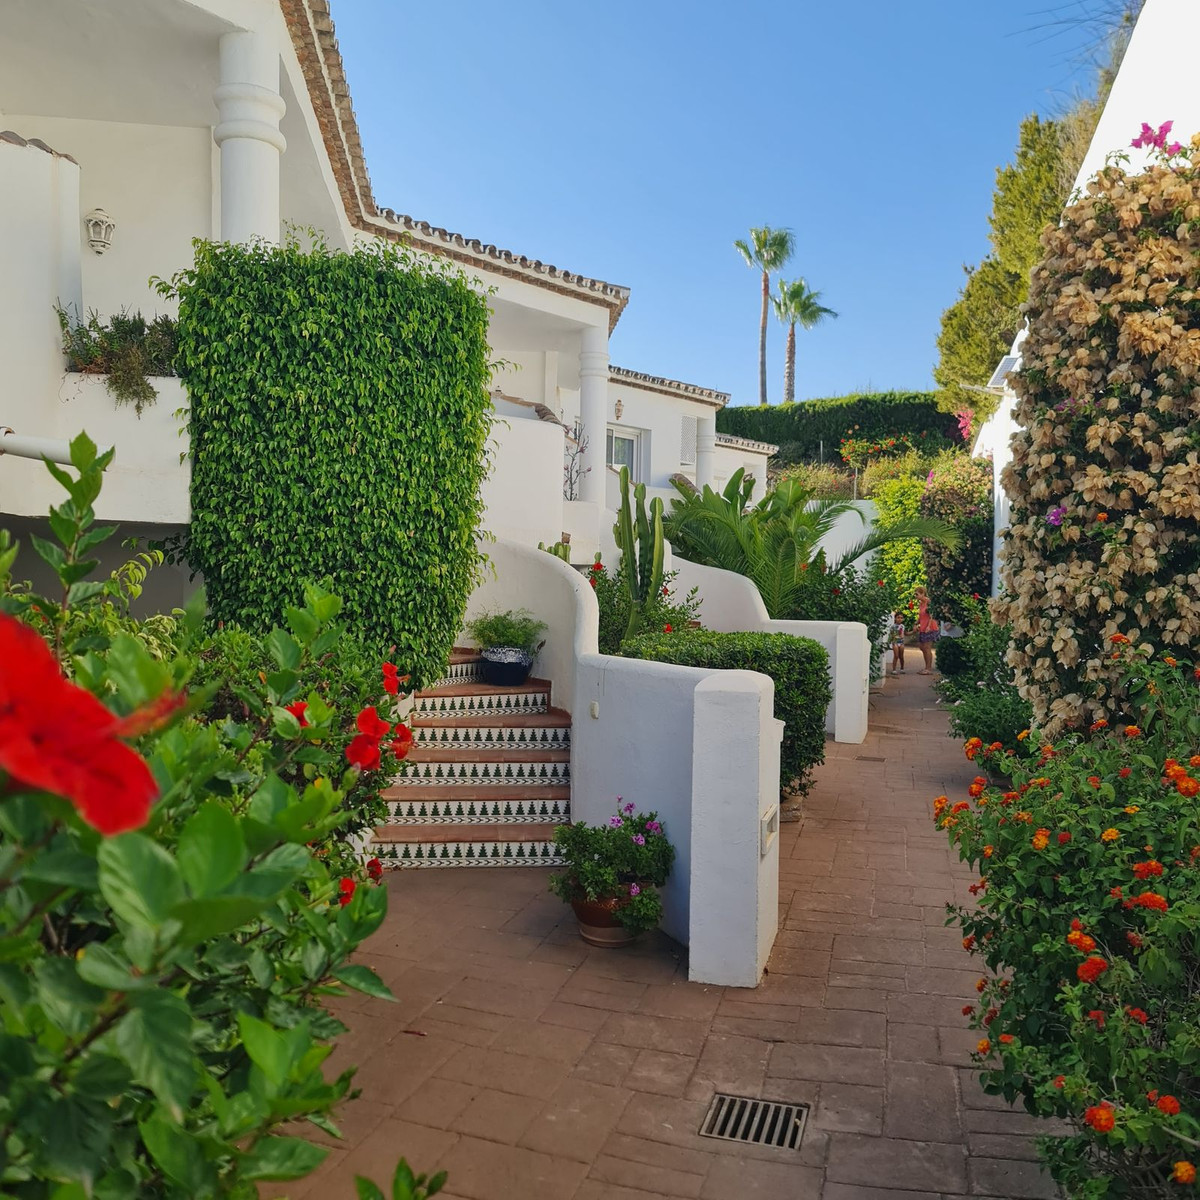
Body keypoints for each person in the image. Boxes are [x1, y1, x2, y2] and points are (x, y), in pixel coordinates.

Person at [914, 585, 939, 675]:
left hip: (930, 627)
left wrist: (928, 626)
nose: (915, 596)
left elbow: (932, 615)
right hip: (923, 627)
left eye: (917, 594)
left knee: (927, 647)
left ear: (922, 594)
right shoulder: (921, 604)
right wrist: (916, 623)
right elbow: (921, 615)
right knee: (922, 647)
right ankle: (926, 667)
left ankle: (928, 668)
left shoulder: (929, 602)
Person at [890, 610, 906, 675]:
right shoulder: (893, 626)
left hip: (901, 642)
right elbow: (892, 635)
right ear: (895, 618)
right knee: (896, 656)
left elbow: (905, 633)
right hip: (895, 642)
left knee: (901, 656)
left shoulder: (903, 626)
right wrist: (897, 636)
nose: (900, 619)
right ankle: (894, 669)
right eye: (898, 617)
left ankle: (902, 668)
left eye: (901, 618)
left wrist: (913, 632)